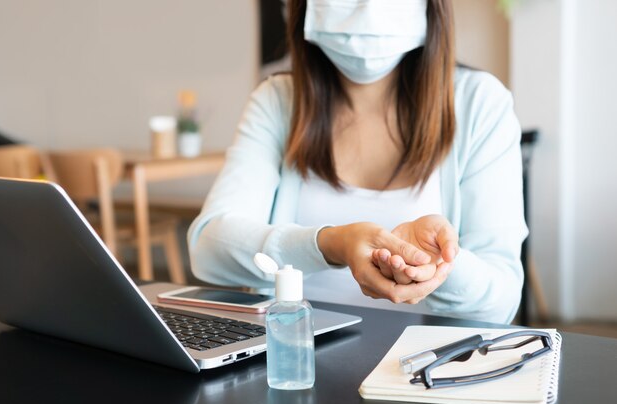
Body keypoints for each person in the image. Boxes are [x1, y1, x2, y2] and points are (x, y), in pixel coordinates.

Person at [188, 0, 527, 324]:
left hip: (425, 371)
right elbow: (208, 249)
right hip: (294, 361)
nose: (367, 8)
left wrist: (436, 266)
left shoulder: (480, 103)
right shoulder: (278, 101)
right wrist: (331, 244)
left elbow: (502, 300)